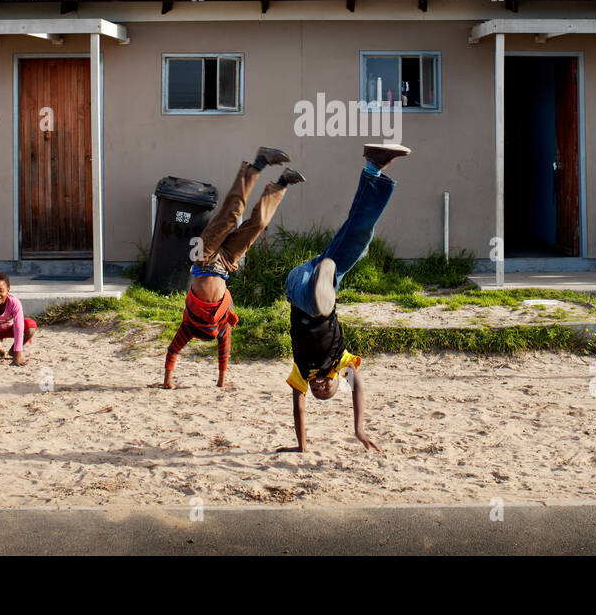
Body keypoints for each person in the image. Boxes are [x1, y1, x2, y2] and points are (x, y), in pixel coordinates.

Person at [278, 143, 410, 453]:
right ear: (340, 380)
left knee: (317, 304)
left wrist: (301, 446)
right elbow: (358, 386)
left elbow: (298, 408)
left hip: (298, 288)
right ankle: (373, 167)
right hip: (323, 275)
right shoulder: (342, 361)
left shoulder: (301, 372)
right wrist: (358, 428)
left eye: (316, 390)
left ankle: (323, 285)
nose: (320, 386)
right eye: (328, 388)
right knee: (360, 234)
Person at [160, 147, 305, 390]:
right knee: (258, 224)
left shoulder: (187, 327)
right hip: (226, 262)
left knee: (233, 213)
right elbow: (224, 354)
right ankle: (282, 182)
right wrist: (221, 382)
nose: (210, 328)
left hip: (203, 257)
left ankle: (258, 163)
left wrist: (168, 381)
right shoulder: (223, 327)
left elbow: (172, 350)